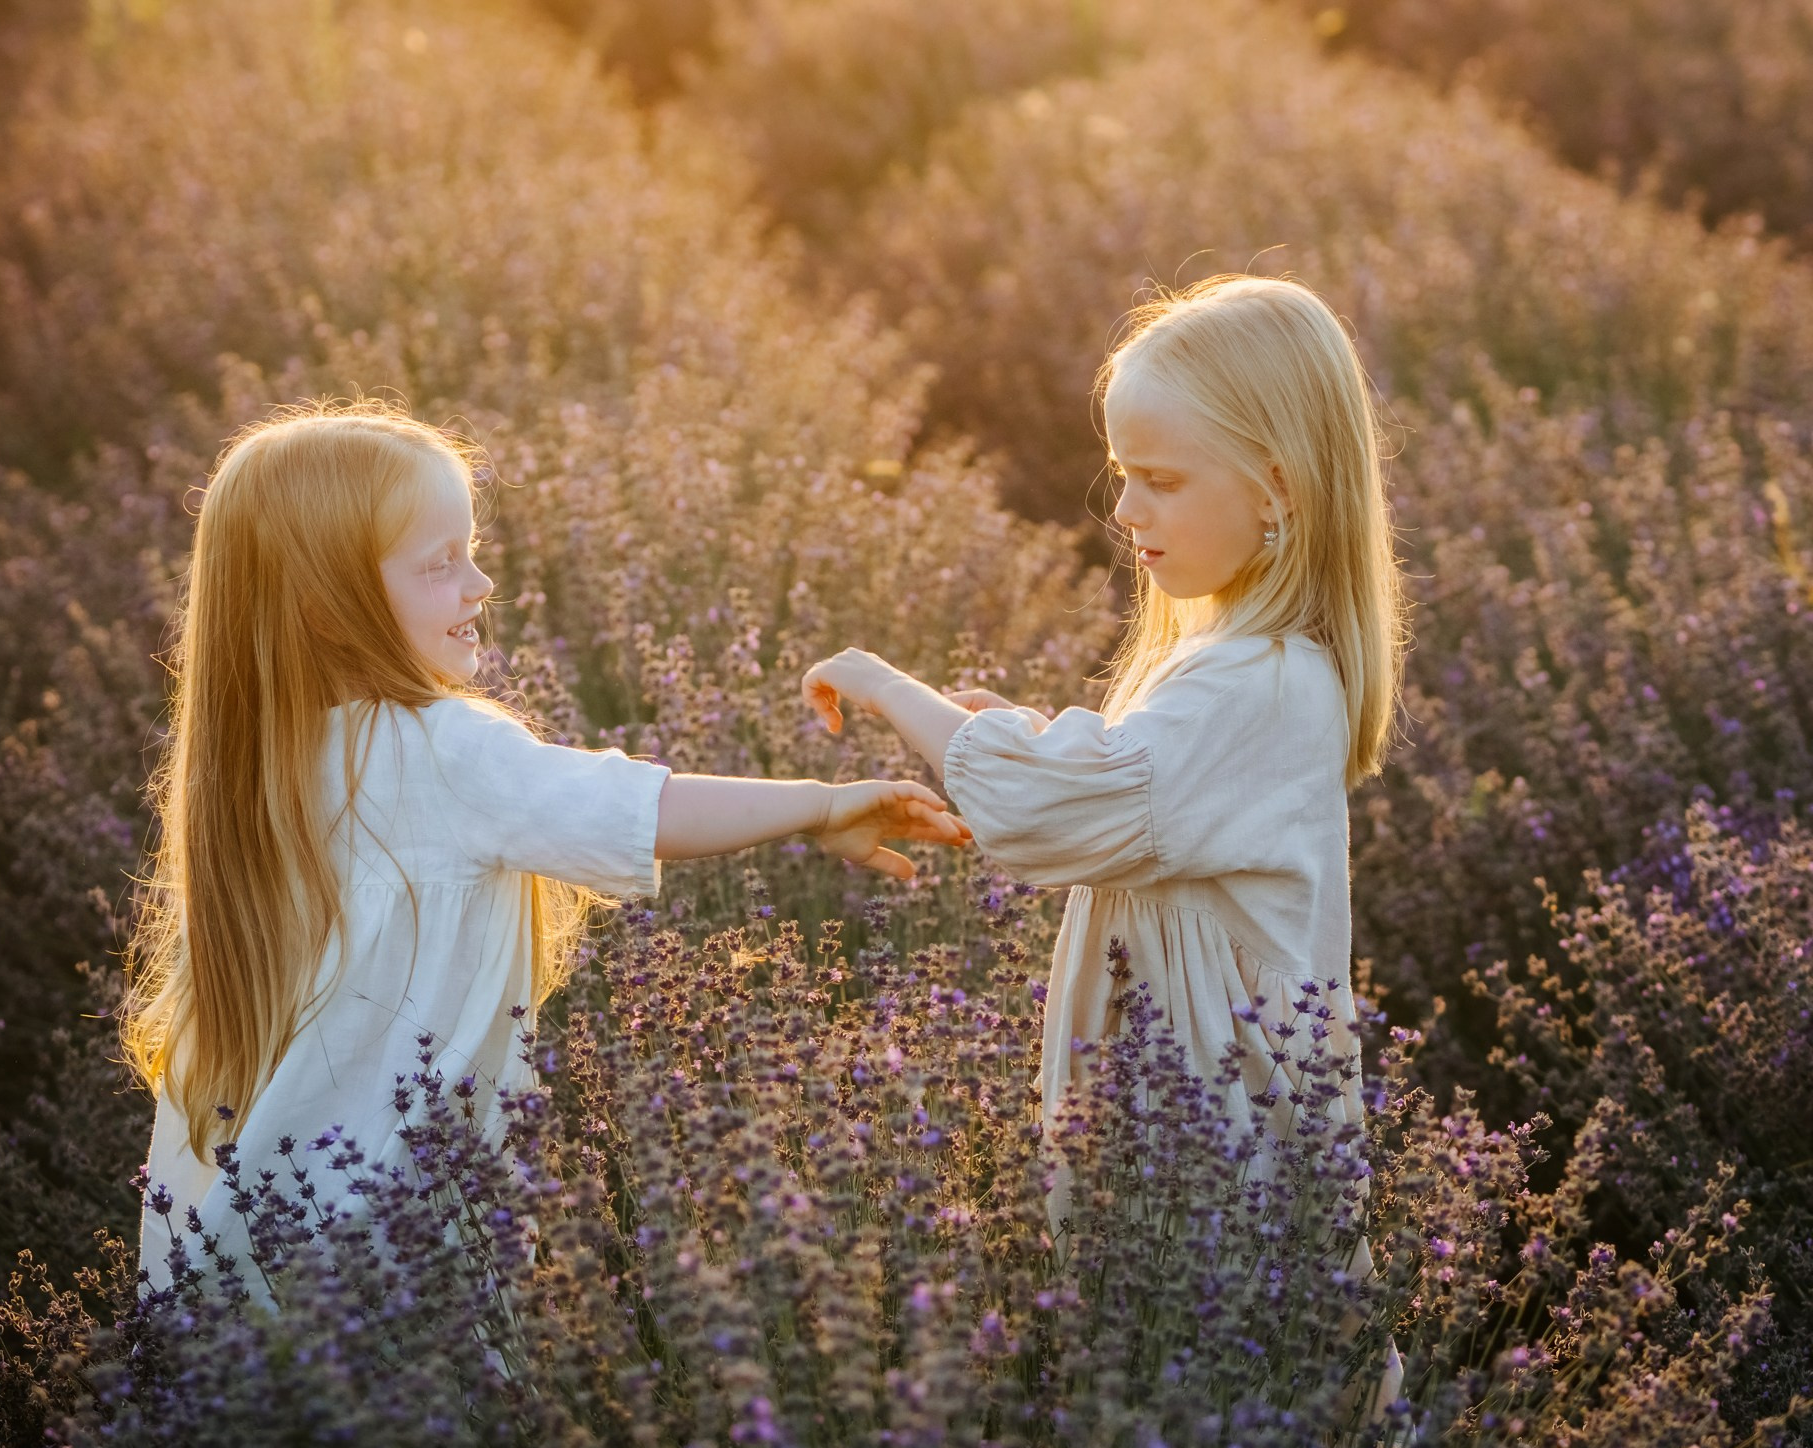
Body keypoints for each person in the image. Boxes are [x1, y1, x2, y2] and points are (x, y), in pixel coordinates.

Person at [123, 403, 969, 1296]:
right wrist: (822, 805)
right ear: (331, 609)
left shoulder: (250, 770)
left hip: (227, 1253)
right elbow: (637, 808)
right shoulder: (439, 748)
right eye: (441, 563)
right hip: (390, 1252)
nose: (481, 584)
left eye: (472, 551)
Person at [801, 272, 1407, 1170]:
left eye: (1161, 480)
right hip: (1178, 1129)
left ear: (1277, 489)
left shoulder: (1263, 682)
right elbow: (1138, 785)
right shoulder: (1245, 660)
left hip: (1212, 1162)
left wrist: (888, 686)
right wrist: (1024, 728)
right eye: (1124, 475)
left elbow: (1054, 807)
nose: (1125, 511)